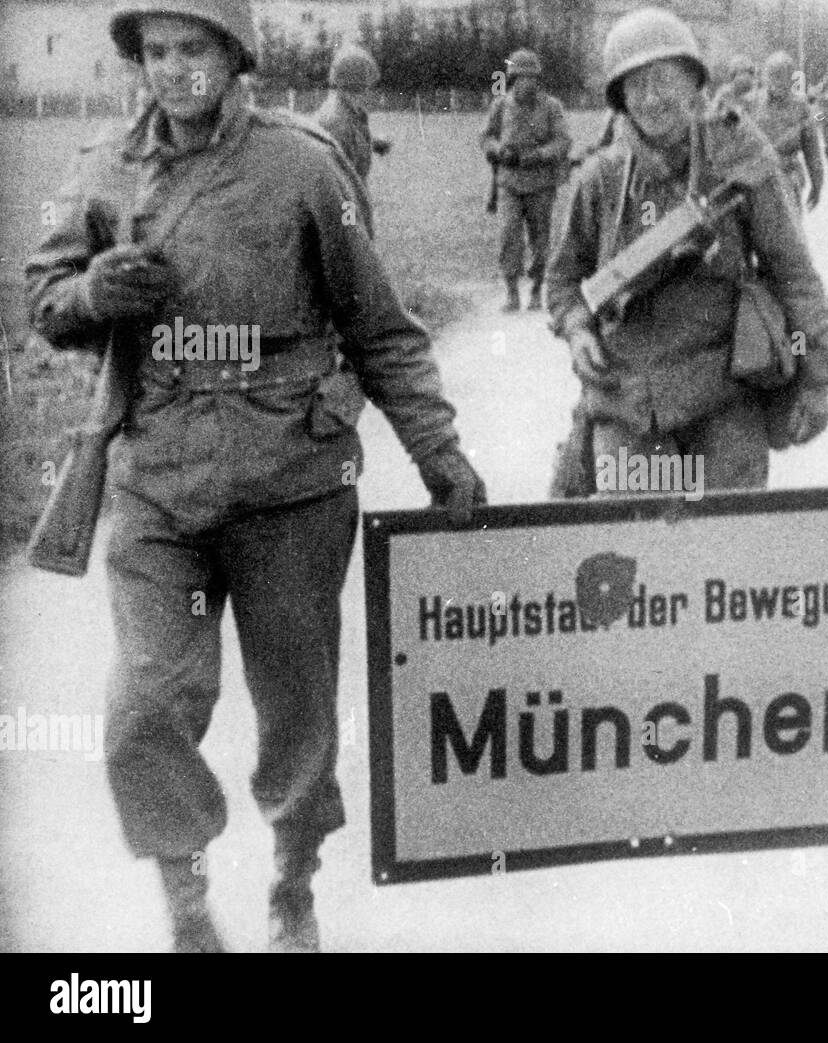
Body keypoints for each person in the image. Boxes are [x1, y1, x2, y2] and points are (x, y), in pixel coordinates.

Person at [24, 0, 486, 953]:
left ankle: (293, 884)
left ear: (235, 58)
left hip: (291, 482)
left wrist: (441, 455)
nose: (173, 69)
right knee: (146, 703)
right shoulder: (101, 166)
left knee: (297, 708)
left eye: (194, 48)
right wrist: (89, 293)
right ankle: (187, 903)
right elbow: (47, 297)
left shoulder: (307, 164)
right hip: (159, 479)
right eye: (156, 51)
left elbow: (380, 328)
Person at [547, 7, 828, 499]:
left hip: (724, 396)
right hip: (627, 403)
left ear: (694, 83)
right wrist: (578, 330)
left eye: (664, 79)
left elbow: (793, 273)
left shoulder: (738, 161)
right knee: (638, 548)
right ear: (618, 98)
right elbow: (562, 284)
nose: (651, 98)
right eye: (635, 85)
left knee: (728, 551)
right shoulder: (598, 179)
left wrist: (815, 377)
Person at [480, 48, 572, 312]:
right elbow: (485, 137)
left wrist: (539, 155)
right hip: (508, 182)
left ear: (538, 79)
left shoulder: (552, 107)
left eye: (531, 77)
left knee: (540, 239)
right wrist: (499, 151)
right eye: (521, 78)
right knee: (509, 235)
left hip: (541, 183)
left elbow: (563, 141)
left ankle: (535, 290)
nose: (527, 83)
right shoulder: (500, 106)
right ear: (513, 79)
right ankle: (511, 292)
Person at [752, 50, 824, 213]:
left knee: (790, 220)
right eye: (775, 75)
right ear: (766, 77)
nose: (779, 81)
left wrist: (817, 184)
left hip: (788, 172)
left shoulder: (801, 106)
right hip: (757, 175)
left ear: (792, 78)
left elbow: (812, 151)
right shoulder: (752, 103)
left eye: (784, 75)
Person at [313, 43, 392, 184]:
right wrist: (353, 207)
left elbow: (351, 139)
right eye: (369, 84)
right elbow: (341, 185)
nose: (372, 90)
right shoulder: (337, 121)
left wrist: (372, 143)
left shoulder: (345, 108)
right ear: (360, 83)